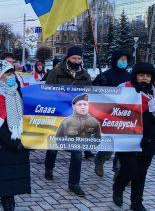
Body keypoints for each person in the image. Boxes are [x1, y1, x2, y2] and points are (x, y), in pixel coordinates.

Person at [113, 62, 155, 211]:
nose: (144, 78)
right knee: (130, 168)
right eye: (141, 75)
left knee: (141, 173)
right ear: (135, 76)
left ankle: (136, 202)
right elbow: (111, 109)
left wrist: (151, 136)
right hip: (127, 138)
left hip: (147, 140)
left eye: (148, 76)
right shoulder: (124, 90)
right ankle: (118, 187)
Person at [0, 60, 30, 211]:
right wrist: (12, 141)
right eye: (7, 73)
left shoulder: (17, 90)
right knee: (3, 171)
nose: (11, 76)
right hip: (0, 140)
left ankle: (11, 196)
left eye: (12, 72)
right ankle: (6, 200)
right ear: (0, 75)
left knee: (14, 170)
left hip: (17, 136)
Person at [44, 46, 91, 196]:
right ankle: (48, 168)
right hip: (58, 115)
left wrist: (99, 87)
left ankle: (74, 183)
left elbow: (90, 95)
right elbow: (47, 91)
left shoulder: (85, 75)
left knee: (77, 151)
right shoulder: (56, 72)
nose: (76, 61)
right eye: (74, 58)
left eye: (79, 59)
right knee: (53, 145)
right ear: (68, 58)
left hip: (76, 117)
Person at [92, 50, 131, 177]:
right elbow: (92, 92)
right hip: (108, 114)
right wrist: (99, 83)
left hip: (125, 114)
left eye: (125, 59)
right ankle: (99, 161)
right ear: (115, 60)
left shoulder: (130, 76)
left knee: (122, 146)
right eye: (121, 59)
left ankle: (119, 172)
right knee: (109, 144)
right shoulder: (106, 75)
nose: (123, 62)